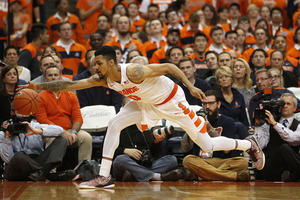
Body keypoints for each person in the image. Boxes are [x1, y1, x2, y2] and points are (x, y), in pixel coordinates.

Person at [22, 45, 265, 188]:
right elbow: (68, 85)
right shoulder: (102, 78)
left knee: (207, 144)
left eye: (98, 63)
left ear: (111, 62)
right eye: (94, 64)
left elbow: (170, 68)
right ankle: (104, 176)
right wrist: (36, 87)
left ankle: (248, 144)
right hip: (144, 102)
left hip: (170, 101)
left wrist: (190, 88)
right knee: (115, 123)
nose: (95, 67)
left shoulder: (135, 71)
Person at [182, 90, 249, 182]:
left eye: (211, 103)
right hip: (202, 161)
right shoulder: (196, 120)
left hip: (222, 161)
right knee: (187, 160)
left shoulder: (228, 121)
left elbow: (227, 150)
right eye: (204, 104)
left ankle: (200, 176)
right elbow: (185, 148)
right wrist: (191, 125)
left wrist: (210, 130)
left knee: (243, 163)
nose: (207, 107)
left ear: (218, 104)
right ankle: (233, 176)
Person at [34, 65, 92, 167]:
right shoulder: (40, 96)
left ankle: (84, 170)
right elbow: (42, 120)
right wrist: (61, 131)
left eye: (56, 75)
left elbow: (78, 118)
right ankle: (49, 171)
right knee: (52, 140)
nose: (53, 77)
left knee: (86, 138)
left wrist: (74, 132)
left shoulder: (71, 95)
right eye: (50, 75)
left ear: (60, 78)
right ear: (45, 79)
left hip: (69, 131)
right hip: (50, 133)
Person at [0, 106, 76, 181]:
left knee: (62, 140)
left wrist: (37, 131)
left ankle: (43, 172)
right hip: (16, 168)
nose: (23, 115)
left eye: (26, 112)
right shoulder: (4, 130)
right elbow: (8, 160)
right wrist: (7, 137)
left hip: (36, 161)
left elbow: (60, 130)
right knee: (19, 156)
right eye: (20, 112)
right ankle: (49, 176)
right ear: (12, 113)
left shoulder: (35, 125)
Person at [253, 93, 300, 181]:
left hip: (291, 168)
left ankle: (290, 176)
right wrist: (258, 125)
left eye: (288, 104)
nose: (284, 106)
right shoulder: (268, 123)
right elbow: (260, 146)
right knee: (284, 148)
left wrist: (275, 124)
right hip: (272, 166)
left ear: (295, 108)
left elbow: (293, 139)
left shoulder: (298, 125)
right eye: (282, 104)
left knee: (285, 148)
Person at [113, 124, 181, 182]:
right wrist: (124, 150)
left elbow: (154, 154)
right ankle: (157, 177)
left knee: (172, 160)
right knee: (120, 159)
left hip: (143, 165)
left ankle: (135, 176)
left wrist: (156, 142)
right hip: (126, 165)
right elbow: (105, 152)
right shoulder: (116, 126)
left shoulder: (144, 126)